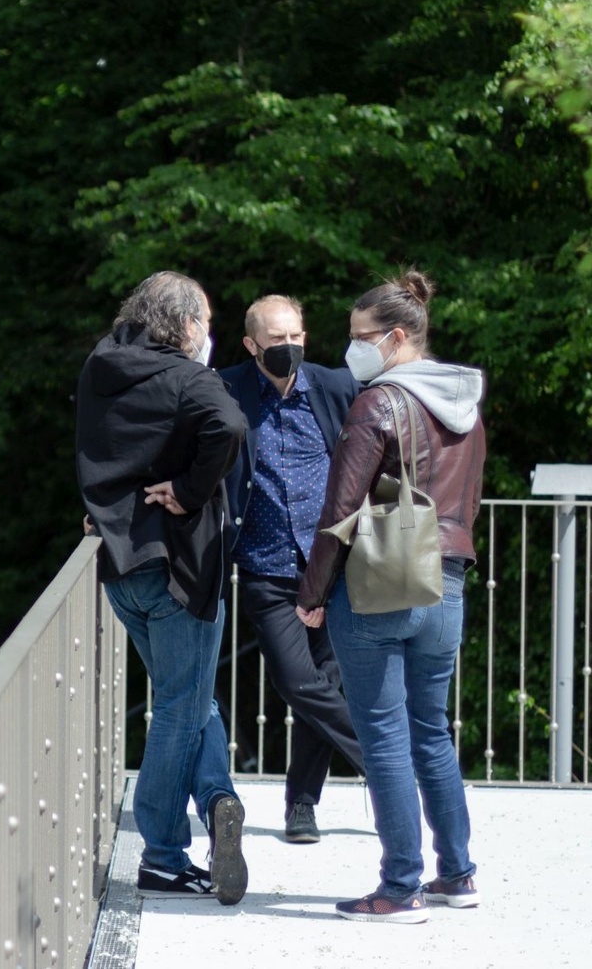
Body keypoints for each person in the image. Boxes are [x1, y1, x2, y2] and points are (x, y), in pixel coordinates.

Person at [295, 270, 485, 923]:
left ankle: (400, 887)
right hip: (445, 580)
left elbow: (340, 510)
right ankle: (457, 874)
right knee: (431, 730)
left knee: (382, 736)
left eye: (362, 337)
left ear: (397, 337)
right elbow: (466, 500)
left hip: (380, 584)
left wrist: (313, 592)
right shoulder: (465, 404)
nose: (353, 349)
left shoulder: (377, 403)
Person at [76, 271, 249, 905]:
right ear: (187, 325)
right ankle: (164, 855)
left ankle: (217, 797)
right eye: (207, 321)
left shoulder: (101, 366)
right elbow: (230, 426)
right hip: (180, 568)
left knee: (190, 695)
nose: (209, 333)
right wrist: (189, 491)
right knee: (182, 705)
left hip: (120, 566)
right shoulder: (189, 377)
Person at [219, 296, 366, 844]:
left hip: (332, 565)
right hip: (266, 566)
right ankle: (387, 763)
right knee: (296, 680)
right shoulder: (226, 388)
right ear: (251, 345)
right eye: (276, 339)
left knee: (323, 683)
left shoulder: (335, 386)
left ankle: (301, 805)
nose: (288, 347)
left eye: (295, 336)